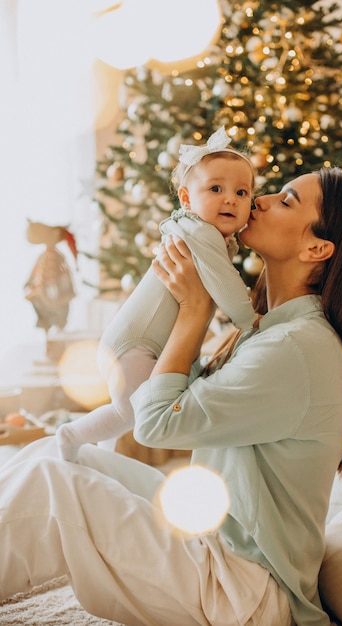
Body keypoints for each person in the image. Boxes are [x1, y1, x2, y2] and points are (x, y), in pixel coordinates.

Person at [0, 166, 342, 626]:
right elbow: (173, 393)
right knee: (59, 455)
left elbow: (157, 421)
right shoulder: (272, 330)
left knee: (53, 486)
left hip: (243, 590)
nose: (260, 199)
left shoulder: (297, 348)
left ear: (316, 248)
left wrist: (193, 310)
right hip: (215, 538)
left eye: (287, 200)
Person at [56, 126, 257, 462]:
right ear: (186, 198)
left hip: (143, 343)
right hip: (135, 345)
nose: (230, 199)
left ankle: (102, 457)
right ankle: (71, 435)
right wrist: (249, 320)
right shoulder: (200, 232)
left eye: (242, 192)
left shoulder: (209, 235)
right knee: (136, 414)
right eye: (216, 189)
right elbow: (225, 285)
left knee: (132, 412)